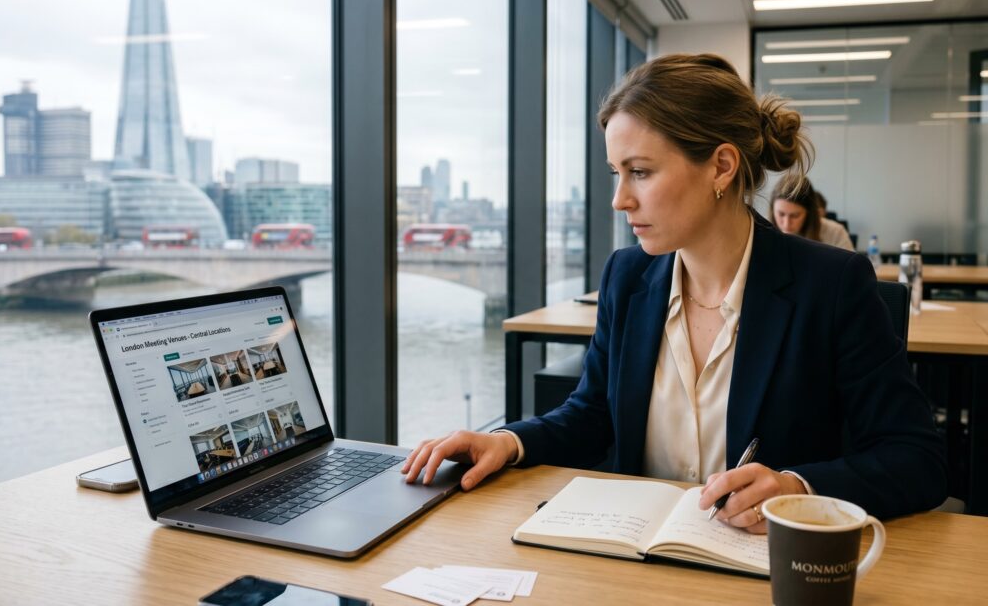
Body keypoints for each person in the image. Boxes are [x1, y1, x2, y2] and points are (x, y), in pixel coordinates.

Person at [401, 53, 947, 533]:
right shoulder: (628, 276)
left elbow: (918, 459)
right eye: (617, 172)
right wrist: (509, 442)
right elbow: (593, 414)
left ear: (722, 166)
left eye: (639, 172)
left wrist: (797, 487)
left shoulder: (830, 285)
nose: (619, 200)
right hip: (636, 567)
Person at [770, 176, 854, 251]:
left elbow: (853, 268)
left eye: (795, 216)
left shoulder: (835, 233)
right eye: (781, 214)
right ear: (772, 210)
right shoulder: (761, 230)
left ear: (809, 213)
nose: (786, 224)